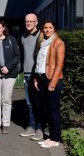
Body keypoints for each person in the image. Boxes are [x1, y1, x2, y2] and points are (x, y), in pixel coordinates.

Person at [34, 20, 65, 148]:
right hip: (41, 79)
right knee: (46, 110)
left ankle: (55, 139)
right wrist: (36, 78)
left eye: (50, 27)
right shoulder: (43, 43)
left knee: (53, 111)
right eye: (45, 28)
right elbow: (40, 63)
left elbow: (59, 64)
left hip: (52, 80)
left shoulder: (58, 43)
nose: (47, 30)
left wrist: (53, 83)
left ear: (54, 29)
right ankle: (51, 137)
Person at [19, 13, 43, 140]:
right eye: (27, 21)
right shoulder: (23, 37)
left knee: (38, 103)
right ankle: (31, 127)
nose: (28, 23)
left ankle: (39, 129)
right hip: (26, 75)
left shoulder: (41, 36)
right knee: (29, 103)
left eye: (31, 21)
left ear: (36, 22)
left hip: (37, 76)